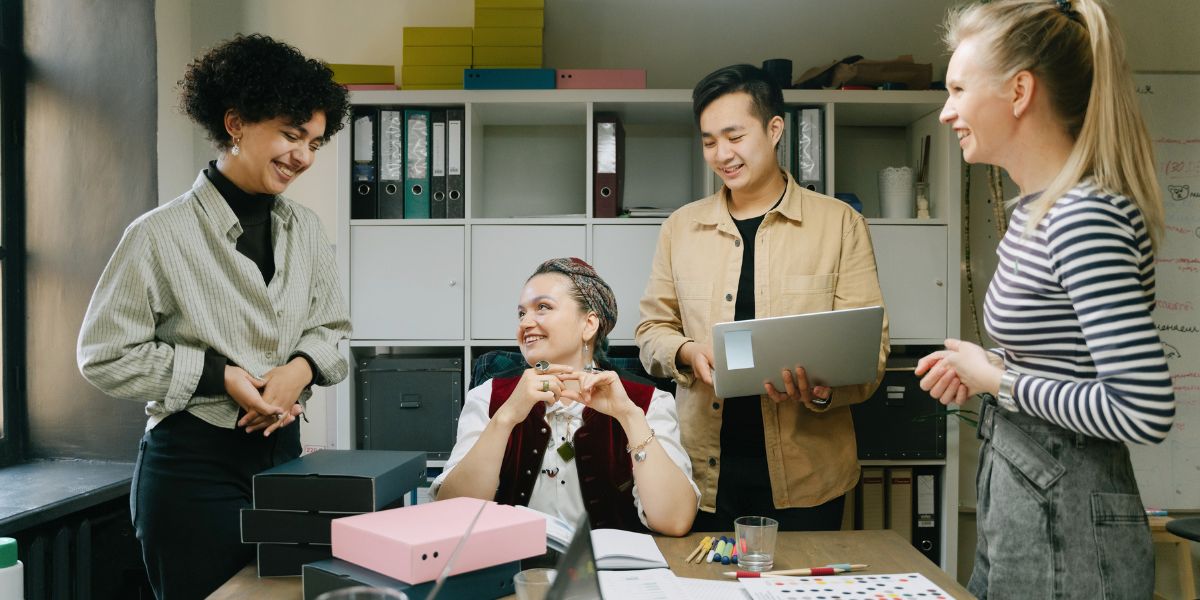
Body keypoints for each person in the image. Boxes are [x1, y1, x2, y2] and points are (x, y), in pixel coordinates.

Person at [914, 1, 1175, 597]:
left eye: (958, 89)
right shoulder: (1038, 211)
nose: (947, 110)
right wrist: (987, 369)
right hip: (1027, 498)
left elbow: (1143, 407)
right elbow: (1069, 363)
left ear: (1019, 91)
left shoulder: (1083, 218)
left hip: (1068, 520)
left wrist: (997, 380)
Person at [77, 34, 351, 599]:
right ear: (235, 123)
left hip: (285, 464)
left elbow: (332, 330)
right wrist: (219, 376)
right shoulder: (158, 234)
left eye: (315, 143)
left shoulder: (306, 229)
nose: (303, 156)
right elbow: (104, 355)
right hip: (192, 472)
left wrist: (298, 370)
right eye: (291, 135)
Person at [635, 64, 889, 532]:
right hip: (701, 473)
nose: (722, 154)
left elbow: (870, 353)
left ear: (774, 130)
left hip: (810, 476)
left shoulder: (839, 224)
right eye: (709, 141)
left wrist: (823, 390)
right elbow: (651, 331)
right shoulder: (680, 229)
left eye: (734, 136)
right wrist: (687, 352)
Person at [432, 258, 699, 536]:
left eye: (543, 307)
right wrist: (505, 418)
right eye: (521, 313)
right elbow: (453, 515)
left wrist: (630, 417)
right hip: (514, 563)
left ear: (589, 324)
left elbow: (675, 521)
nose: (525, 323)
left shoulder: (648, 401)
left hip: (609, 564)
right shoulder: (488, 396)